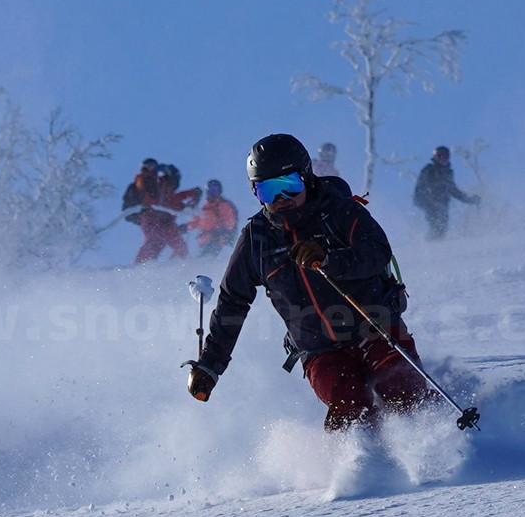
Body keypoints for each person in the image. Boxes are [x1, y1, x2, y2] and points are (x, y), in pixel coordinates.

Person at [185, 133, 433, 431]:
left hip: (377, 328)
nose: (281, 200)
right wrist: (211, 365)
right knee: (350, 406)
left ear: (306, 177)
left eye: (288, 186)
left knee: (402, 389)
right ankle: (359, 468)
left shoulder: (340, 211)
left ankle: (439, 443)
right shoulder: (257, 240)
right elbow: (232, 302)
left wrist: (330, 259)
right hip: (319, 351)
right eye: (268, 191)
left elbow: (377, 253)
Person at [123, 161, 201, 264]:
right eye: (175, 179)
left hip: (157, 221)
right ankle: (180, 263)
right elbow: (171, 201)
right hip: (157, 221)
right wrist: (192, 196)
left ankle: (143, 264)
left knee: (156, 243)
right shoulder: (162, 186)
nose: (176, 182)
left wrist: (192, 200)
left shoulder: (164, 189)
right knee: (171, 244)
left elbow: (175, 202)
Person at [412, 145, 480, 240]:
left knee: (442, 227)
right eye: (440, 156)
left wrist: (469, 200)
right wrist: (426, 201)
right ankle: (430, 245)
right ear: (435, 157)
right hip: (430, 203)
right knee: (435, 225)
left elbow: (453, 190)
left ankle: (437, 247)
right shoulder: (429, 170)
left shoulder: (448, 172)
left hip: (442, 204)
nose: (443, 159)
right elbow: (420, 188)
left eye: (445, 156)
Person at [183, 179, 239, 257]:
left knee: (211, 262)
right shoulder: (205, 207)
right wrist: (185, 227)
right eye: (209, 189)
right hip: (204, 242)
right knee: (202, 264)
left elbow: (230, 223)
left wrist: (217, 231)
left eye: (214, 190)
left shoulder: (224, 205)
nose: (211, 193)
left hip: (218, 242)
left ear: (219, 191)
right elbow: (197, 221)